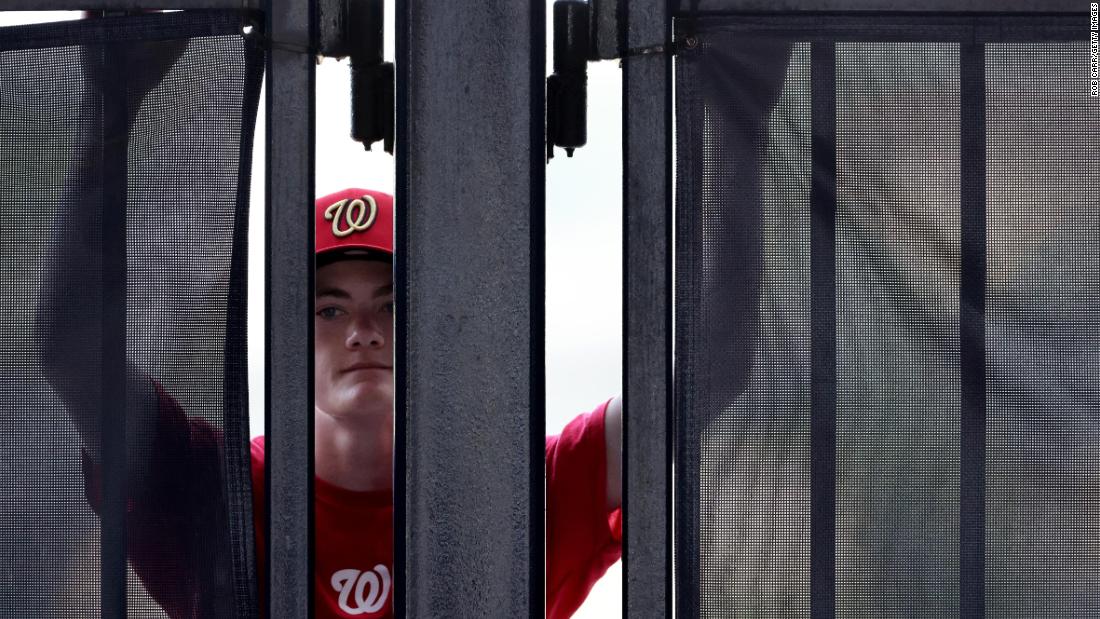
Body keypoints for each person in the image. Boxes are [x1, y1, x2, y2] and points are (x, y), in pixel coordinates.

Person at [33, 31, 622, 616]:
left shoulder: (531, 492)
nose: (362, 330)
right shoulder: (218, 494)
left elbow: (685, 382)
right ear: (287, 343)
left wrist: (714, 60)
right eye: (329, 310)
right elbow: (72, 348)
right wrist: (108, 116)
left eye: (392, 306)